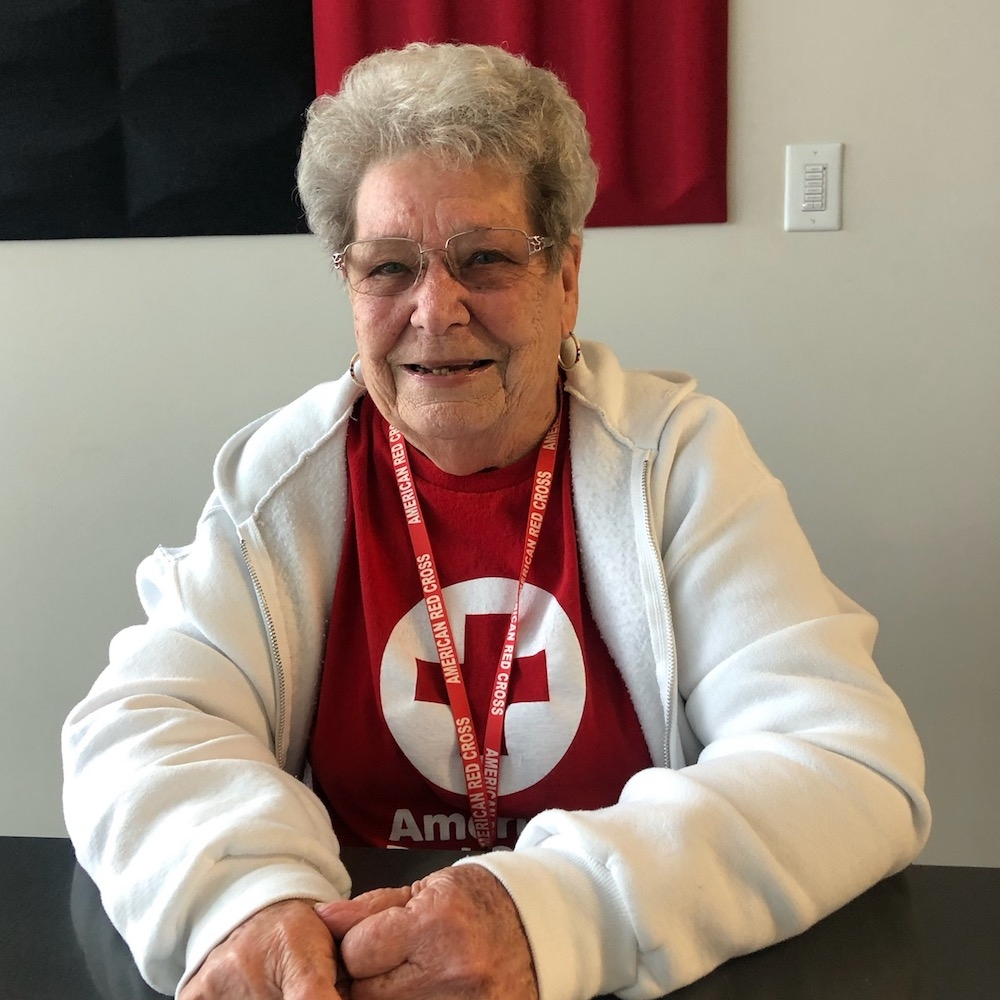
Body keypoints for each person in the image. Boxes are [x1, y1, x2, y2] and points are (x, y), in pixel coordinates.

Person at [62, 41, 931, 1000]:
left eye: (484, 259)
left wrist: (545, 913)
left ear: (566, 277)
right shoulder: (287, 476)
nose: (436, 311)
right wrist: (247, 903)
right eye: (389, 267)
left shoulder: (676, 461)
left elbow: (845, 764)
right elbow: (144, 723)